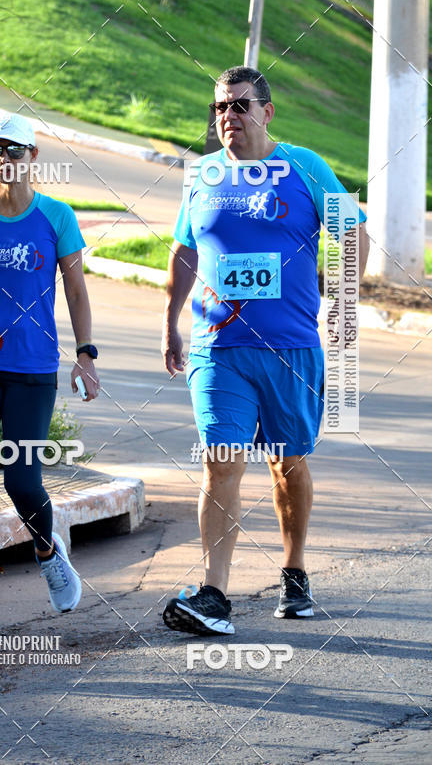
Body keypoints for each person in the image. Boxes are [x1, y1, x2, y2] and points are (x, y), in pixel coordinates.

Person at [161, 66, 369, 635]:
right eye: (220, 107)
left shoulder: (304, 166)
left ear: (267, 112)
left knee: (287, 463)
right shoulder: (202, 174)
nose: (228, 116)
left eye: (240, 105)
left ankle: (295, 570)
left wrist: (346, 306)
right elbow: (184, 251)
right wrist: (169, 321)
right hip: (217, 345)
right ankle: (214, 595)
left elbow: (354, 232)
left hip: (289, 347)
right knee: (220, 459)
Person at [0, 112, 100, 639]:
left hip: (32, 367)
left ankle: (49, 553)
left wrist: (86, 353)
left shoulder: (56, 217)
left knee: (23, 480)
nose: (5, 159)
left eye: (15, 150)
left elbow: (75, 289)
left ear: (33, 156)